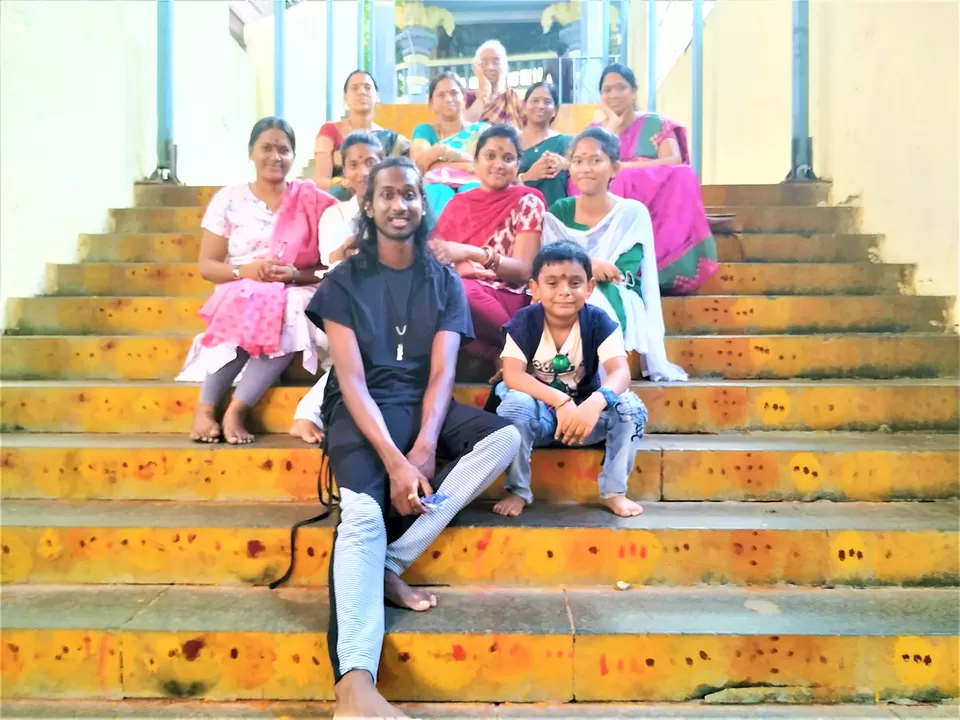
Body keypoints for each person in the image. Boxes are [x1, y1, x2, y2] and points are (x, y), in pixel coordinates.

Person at [305, 156, 521, 719]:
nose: (399, 205)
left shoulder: (443, 279)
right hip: (361, 412)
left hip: (421, 403)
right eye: (387, 195)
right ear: (370, 206)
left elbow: (442, 373)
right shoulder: (345, 280)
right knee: (362, 518)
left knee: (504, 438)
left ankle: (392, 562)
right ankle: (354, 688)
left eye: (409, 195)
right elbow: (350, 380)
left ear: (423, 205)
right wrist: (397, 464)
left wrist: (424, 447)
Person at [178, 117, 337, 444]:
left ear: (294, 156)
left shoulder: (312, 201)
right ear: (251, 152)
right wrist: (244, 271)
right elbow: (207, 265)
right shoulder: (230, 199)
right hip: (241, 287)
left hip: (295, 288)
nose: (275, 157)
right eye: (266, 148)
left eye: (284, 150)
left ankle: (237, 407)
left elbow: (331, 266)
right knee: (250, 298)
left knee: (291, 304)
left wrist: (294, 274)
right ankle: (206, 408)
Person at [490, 241, 648, 518]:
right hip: (540, 418)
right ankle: (517, 489)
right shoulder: (524, 322)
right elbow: (512, 375)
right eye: (552, 283)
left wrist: (597, 401)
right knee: (514, 403)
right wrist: (560, 401)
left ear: (589, 287)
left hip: (584, 421)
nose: (564, 292)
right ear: (534, 288)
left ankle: (614, 490)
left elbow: (621, 372)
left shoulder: (600, 321)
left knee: (630, 407)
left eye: (575, 283)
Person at [544, 127, 688, 383]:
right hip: (565, 291)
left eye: (595, 160)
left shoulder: (632, 213)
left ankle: (590, 389)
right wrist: (587, 266)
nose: (585, 168)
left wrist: (583, 271)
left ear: (615, 168)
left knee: (591, 304)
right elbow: (548, 265)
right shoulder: (558, 211)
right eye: (577, 161)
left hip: (616, 295)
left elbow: (616, 273)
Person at [586, 63, 719, 294]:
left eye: (621, 88)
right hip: (615, 192)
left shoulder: (656, 123)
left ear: (634, 92)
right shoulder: (597, 130)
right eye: (607, 90)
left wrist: (627, 167)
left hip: (657, 191)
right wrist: (612, 126)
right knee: (610, 179)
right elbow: (589, 164)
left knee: (683, 175)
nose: (614, 94)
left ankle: (664, 266)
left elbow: (673, 159)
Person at [289, 130, 384, 445]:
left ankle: (314, 410)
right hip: (344, 301)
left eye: (371, 162)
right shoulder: (335, 215)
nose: (363, 171)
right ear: (344, 172)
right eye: (354, 164)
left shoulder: (397, 209)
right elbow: (333, 265)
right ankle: (309, 411)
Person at [428, 125, 544, 362]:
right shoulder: (458, 204)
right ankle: (501, 357)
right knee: (434, 295)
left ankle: (517, 345)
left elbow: (523, 271)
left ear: (518, 165)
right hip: (464, 298)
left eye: (508, 158)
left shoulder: (527, 201)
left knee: (457, 291)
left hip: (506, 294)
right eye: (490, 156)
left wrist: (470, 254)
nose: (499, 164)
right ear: (476, 162)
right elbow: (435, 255)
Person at [314, 70, 410, 200]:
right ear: (346, 97)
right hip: (339, 201)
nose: (362, 92)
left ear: (377, 96)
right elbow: (320, 182)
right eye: (355, 88)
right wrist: (346, 183)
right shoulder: (330, 131)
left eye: (367, 87)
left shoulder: (391, 140)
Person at [410, 72, 488, 219]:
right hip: (435, 191)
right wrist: (470, 166)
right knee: (437, 192)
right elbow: (420, 165)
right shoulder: (424, 131)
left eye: (454, 93)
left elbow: (488, 166)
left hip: (475, 186)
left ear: (464, 100)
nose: (448, 99)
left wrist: (443, 152)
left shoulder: (481, 131)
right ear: (431, 104)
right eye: (441, 95)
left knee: (473, 189)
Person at [518, 81, 572, 208]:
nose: (541, 106)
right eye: (535, 100)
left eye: (547, 102)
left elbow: (586, 171)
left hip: (558, 216)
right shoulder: (510, 143)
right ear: (524, 107)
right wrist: (527, 177)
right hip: (519, 215)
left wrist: (567, 165)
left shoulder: (567, 142)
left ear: (555, 110)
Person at [463, 40, 524, 127]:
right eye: (483, 62)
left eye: (496, 62)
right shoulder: (467, 99)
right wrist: (484, 94)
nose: (490, 67)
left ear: (505, 67)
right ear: (475, 68)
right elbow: (462, 128)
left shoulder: (513, 98)